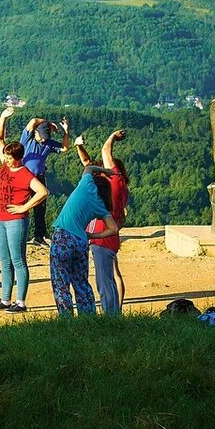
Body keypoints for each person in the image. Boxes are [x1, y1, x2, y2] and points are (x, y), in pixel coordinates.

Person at [0, 107, 48, 313]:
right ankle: (5, 299)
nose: (5, 159)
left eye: (8, 157)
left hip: (16, 221)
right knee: (4, 261)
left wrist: (24, 207)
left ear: (18, 158)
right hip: (0, 219)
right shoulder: (5, 166)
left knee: (18, 260)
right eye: (5, 156)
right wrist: (3, 117)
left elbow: (42, 192)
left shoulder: (25, 173)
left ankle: (20, 302)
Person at [49, 165, 119, 317]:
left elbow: (88, 168)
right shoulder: (101, 205)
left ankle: (66, 319)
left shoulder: (86, 185)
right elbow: (113, 229)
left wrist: (104, 171)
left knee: (61, 283)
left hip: (62, 236)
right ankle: (87, 318)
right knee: (81, 283)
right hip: (81, 240)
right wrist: (92, 235)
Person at [75, 130, 129, 314]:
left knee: (104, 282)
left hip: (102, 239)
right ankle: (114, 314)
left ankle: (110, 316)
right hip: (110, 240)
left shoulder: (114, 182)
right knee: (110, 280)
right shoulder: (120, 188)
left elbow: (106, 151)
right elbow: (88, 164)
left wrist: (112, 137)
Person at [21, 114, 70, 247]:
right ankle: (18, 234)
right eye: (41, 137)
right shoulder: (27, 139)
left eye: (45, 138)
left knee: (40, 208)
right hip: (24, 177)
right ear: (35, 132)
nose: (43, 140)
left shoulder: (48, 143)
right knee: (21, 205)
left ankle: (39, 236)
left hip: (39, 177)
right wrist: (48, 122)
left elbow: (65, 148)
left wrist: (66, 132)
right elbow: (33, 120)